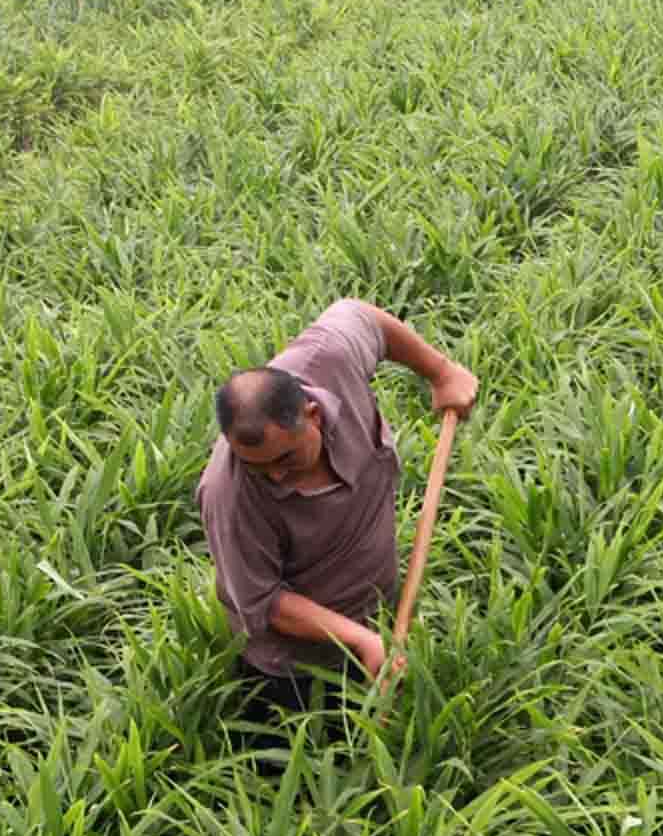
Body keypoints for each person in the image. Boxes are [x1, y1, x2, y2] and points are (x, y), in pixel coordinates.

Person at [199, 301, 479, 717]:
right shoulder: (228, 493)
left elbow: (364, 318)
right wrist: (360, 639)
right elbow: (263, 600)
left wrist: (441, 372)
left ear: (312, 414)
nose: (274, 476)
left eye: (286, 459)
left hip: (378, 619)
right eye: (259, 467)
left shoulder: (329, 360)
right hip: (294, 667)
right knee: (302, 760)